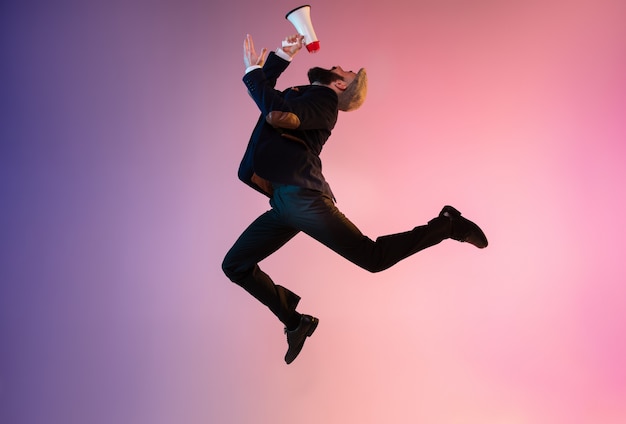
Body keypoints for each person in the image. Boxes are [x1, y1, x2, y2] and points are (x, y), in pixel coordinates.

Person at [222, 34, 488, 364]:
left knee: (372, 257)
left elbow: (275, 113)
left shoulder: (324, 101)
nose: (338, 66)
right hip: (284, 202)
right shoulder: (307, 96)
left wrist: (253, 73)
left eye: (345, 71)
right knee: (235, 265)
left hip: (301, 197)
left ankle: (447, 225)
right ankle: (296, 322)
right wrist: (280, 56)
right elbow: (273, 103)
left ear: (340, 87)